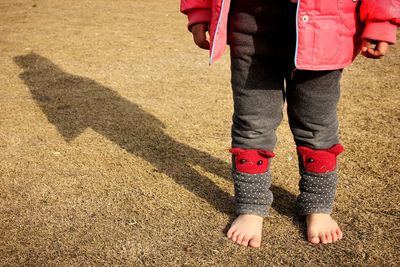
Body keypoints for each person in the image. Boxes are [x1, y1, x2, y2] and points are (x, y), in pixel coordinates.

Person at [180, 0, 400, 247]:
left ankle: (318, 205)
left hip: (326, 29)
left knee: (317, 125)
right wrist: (199, 11)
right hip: (250, 31)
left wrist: (382, 21)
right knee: (252, 121)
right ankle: (251, 207)